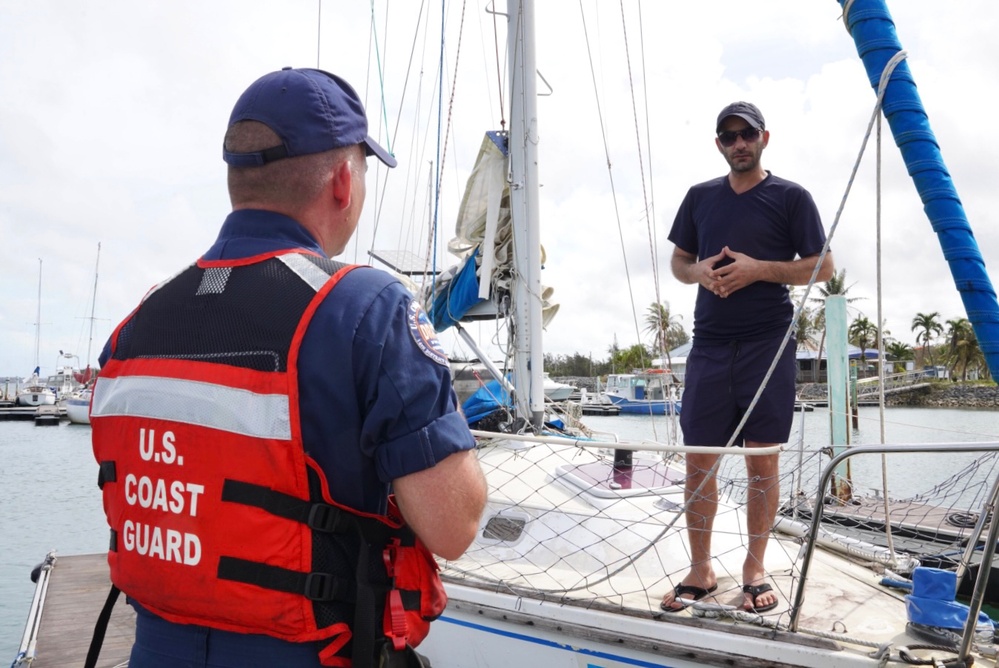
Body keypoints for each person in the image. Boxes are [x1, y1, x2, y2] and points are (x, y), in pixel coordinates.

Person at [89, 67, 487, 668]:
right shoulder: (370, 311)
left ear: (236, 182)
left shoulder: (137, 322)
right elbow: (453, 525)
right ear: (343, 182)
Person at [660, 101, 834, 614]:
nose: (739, 143)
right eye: (729, 135)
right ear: (718, 143)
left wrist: (759, 269)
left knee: (763, 461)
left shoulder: (791, 197)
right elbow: (679, 261)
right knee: (698, 463)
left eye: (747, 134)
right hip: (709, 344)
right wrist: (699, 274)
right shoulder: (699, 198)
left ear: (764, 138)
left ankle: (754, 568)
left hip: (768, 343)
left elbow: (822, 268)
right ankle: (701, 569)